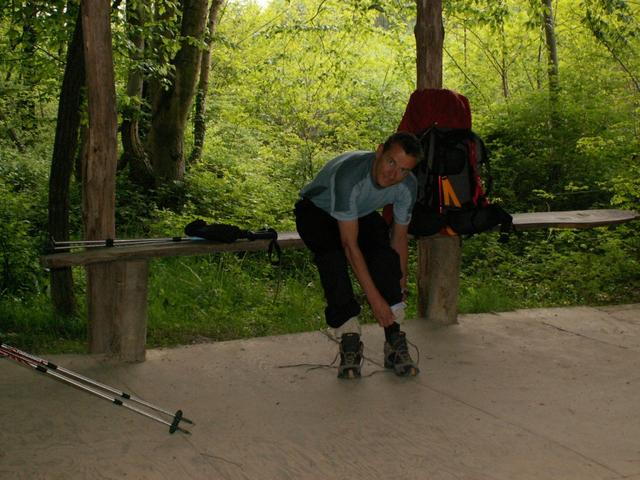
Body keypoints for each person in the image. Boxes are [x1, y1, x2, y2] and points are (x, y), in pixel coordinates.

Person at [294, 132, 423, 379]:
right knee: (332, 259)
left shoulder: (408, 186)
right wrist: (375, 301)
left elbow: (399, 238)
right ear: (379, 151)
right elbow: (349, 246)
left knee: (383, 257)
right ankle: (349, 338)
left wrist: (400, 285)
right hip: (317, 210)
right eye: (391, 162)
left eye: (404, 170)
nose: (393, 174)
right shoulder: (350, 176)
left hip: (359, 211)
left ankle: (394, 339)